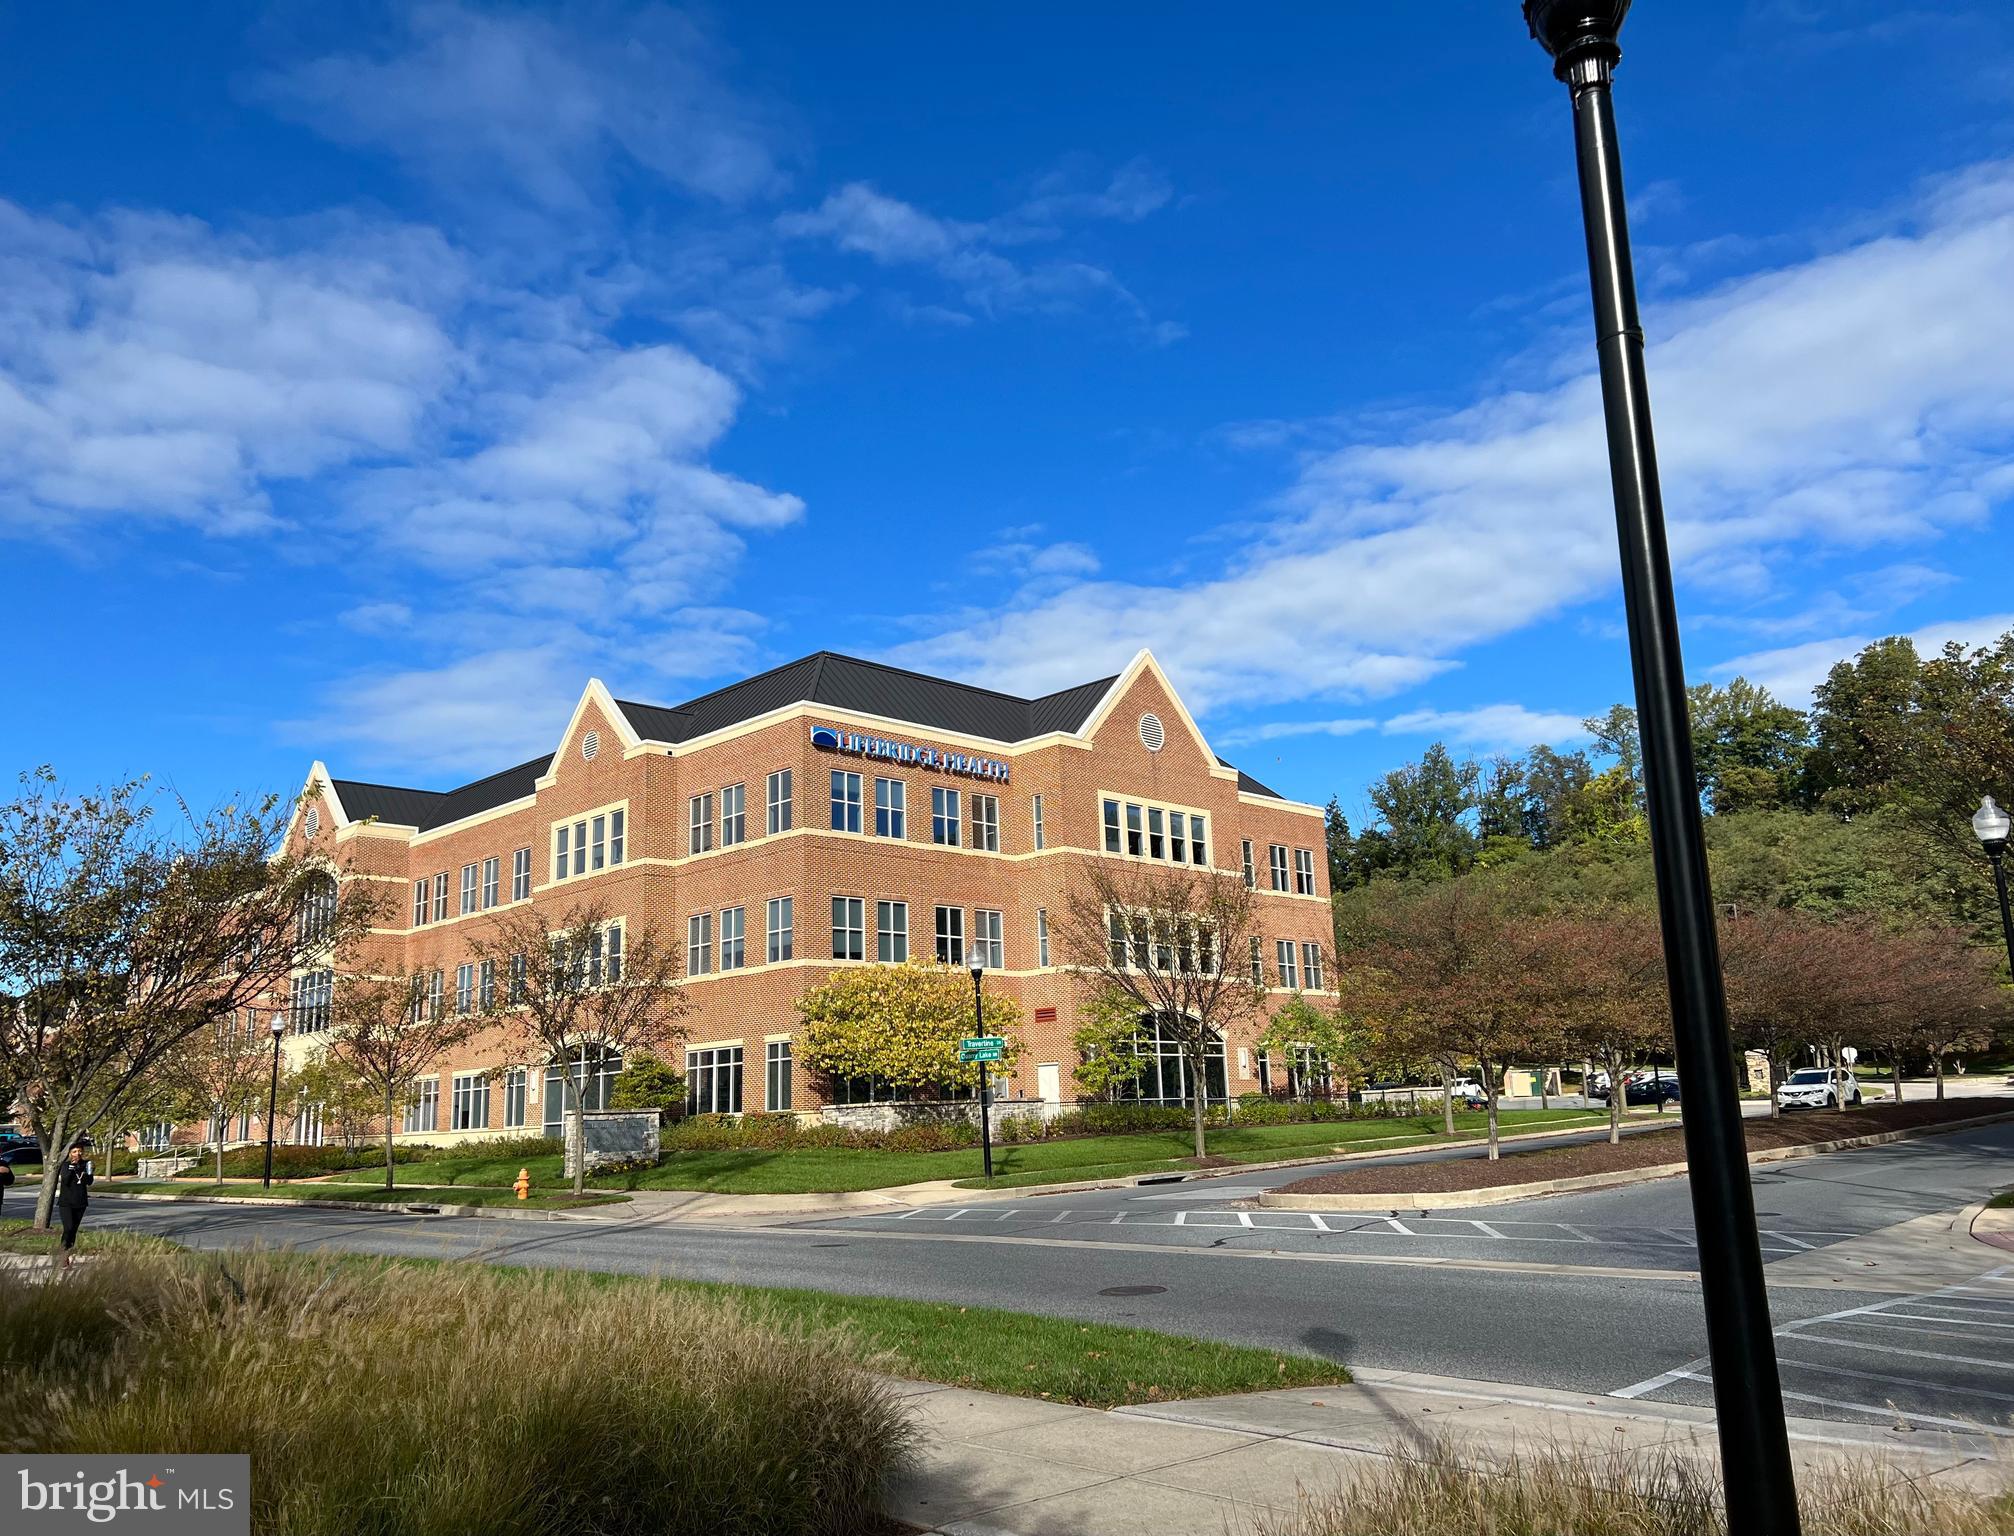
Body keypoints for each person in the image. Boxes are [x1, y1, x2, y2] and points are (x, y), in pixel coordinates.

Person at [55, 1143, 93, 1268]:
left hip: (80, 1201)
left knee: (74, 1230)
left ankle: (67, 1254)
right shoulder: (66, 1165)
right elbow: (65, 1179)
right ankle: (62, 1254)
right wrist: (73, 1166)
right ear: (70, 1153)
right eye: (74, 1151)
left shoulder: (86, 1164)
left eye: (79, 1151)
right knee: (68, 1228)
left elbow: (89, 1182)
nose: (77, 1154)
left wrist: (86, 1171)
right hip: (66, 1202)